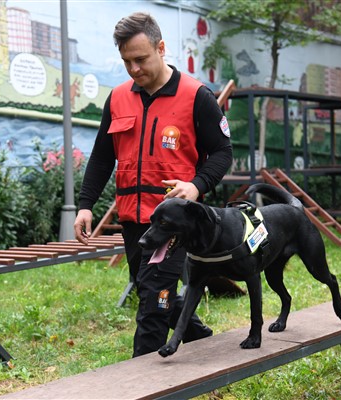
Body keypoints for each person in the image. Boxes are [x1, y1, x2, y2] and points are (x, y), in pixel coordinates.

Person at [73, 11, 233, 357]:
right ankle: (196, 335)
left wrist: (196, 185)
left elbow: (222, 152)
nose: (134, 69)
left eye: (141, 59)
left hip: (176, 223)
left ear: (161, 48)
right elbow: (102, 156)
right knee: (152, 289)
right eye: (126, 61)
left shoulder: (196, 96)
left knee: (150, 306)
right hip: (134, 220)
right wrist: (86, 204)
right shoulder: (117, 98)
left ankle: (141, 382)